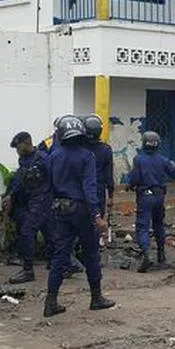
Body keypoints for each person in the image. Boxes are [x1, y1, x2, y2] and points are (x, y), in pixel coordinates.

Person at [45, 116, 116, 317]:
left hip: (60, 210)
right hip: (83, 212)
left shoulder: (54, 156)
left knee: (60, 256)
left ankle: (51, 301)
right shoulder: (87, 156)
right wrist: (97, 215)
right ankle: (96, 298)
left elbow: (48, 185)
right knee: (91, 253)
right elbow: (89, 187)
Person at [3, 132, 53, 285]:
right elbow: (19, 180)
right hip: (30, 202)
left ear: (26, 143)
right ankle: (67, 264)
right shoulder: (23, 160)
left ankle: (28, 271)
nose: (17, 151)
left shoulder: (43, 159)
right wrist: (10, 195)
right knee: (51, 235)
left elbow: (55, 179)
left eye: (18, 147)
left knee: (27, 232)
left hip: (43, 200)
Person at [128, 130, 175, 273]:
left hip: (145, 196)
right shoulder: (163, 160)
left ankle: (146, 254)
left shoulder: (138, 159)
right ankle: (161, 254)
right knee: (159, 225)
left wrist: (130, 186)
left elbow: (135, 179)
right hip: (159, 196)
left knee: (143, 227)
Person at [82, 115, 115, 221]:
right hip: (98, 190)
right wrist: (110, 195)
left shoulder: (79, 148)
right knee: (96, 221)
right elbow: (109, 175)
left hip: (80, 189)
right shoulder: (105, 150)